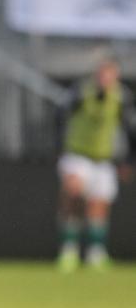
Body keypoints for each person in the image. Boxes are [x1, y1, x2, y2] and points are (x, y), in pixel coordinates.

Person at [57, 55, 135, 271]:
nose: (105, 79)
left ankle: (96, 253)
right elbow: (60, 114)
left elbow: (130, 129)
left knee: (98, 206)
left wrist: (129, 160)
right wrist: (59, 146)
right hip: (78, 153)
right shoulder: (81, 92)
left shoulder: (121, 97)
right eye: (102, 74)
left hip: (103, 158)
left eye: (110, 75)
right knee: (73, 193)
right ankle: (69, 250)